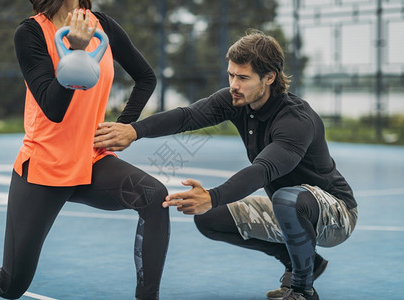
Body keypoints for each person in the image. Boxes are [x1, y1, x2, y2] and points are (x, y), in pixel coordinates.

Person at [93, 30, 358, 300]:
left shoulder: (295, 120)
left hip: (335, 214)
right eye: (231, 74)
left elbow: (264, 170)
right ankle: (305, 262)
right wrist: (134, 131)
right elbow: (187, 117)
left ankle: (303, 290)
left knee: (286, 199)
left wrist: (211, 195)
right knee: (210, 218)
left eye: (243, 78)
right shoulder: (236, 100)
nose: (234, 84)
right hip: (287, 206)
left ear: (269, 77)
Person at [0, 1, 170, 299]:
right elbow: (53, 108)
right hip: (45, 166)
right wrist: (77, 52)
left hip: (92, 161)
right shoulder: (30, 33)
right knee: (11, 284)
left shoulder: (103, 25)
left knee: (154, 195)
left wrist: (124, 127)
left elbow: (146, 78)